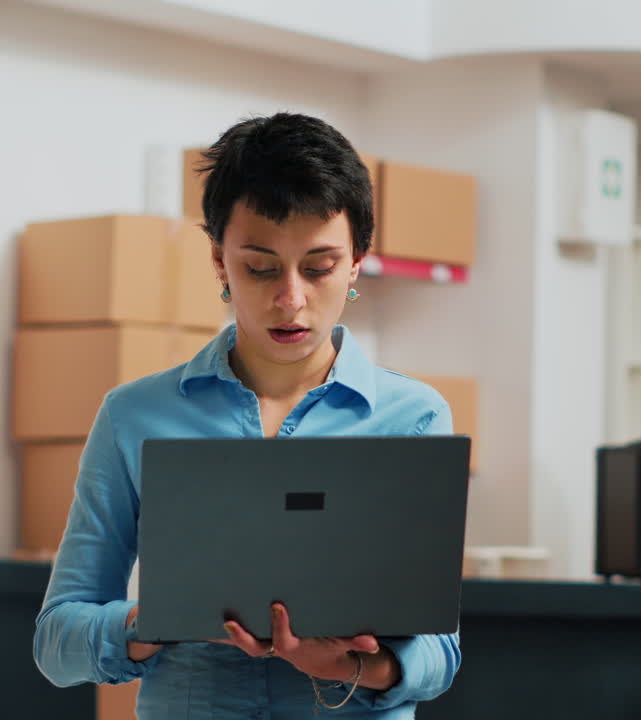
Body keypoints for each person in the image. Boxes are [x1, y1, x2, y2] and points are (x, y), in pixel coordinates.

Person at [33, 112, 462, 718]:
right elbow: (56, 643)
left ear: (356, 262)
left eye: (319, 267)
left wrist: (344, 666)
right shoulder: (134, 415)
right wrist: (160, 620)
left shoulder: (413, 417)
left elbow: (441, 653)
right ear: (219, 260)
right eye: (260, 267)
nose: (291, 298)